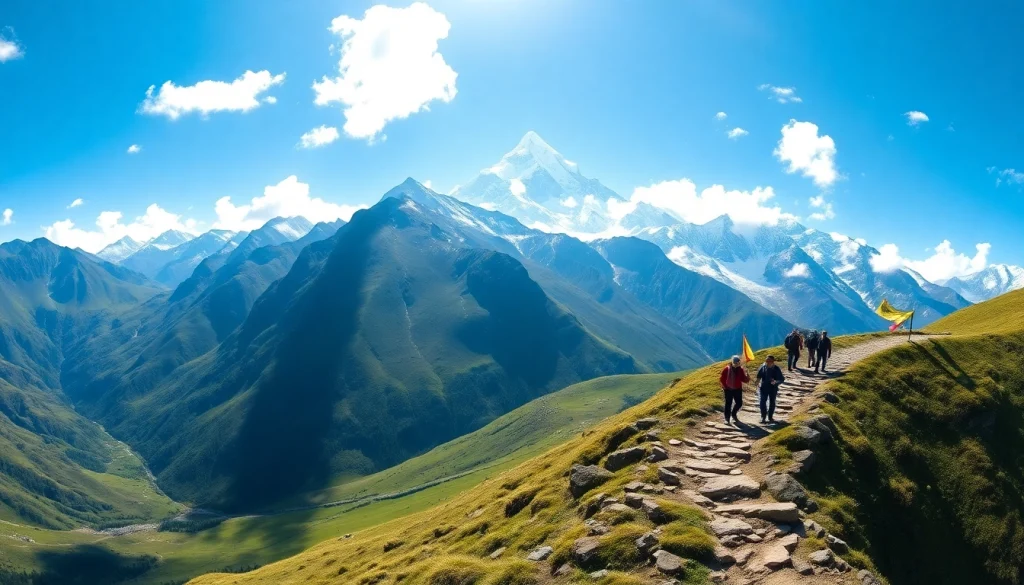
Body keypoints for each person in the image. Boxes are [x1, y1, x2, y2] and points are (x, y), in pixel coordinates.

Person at [719, 355, 750, 425]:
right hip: (728, 389)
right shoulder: (726, 369)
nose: (737, 364)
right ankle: (727, 419)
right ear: (732, 362)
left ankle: (733, 414)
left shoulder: (740, 369)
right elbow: (722, 379)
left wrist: (747, 377)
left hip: (737, 389)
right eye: (735, 363)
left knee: (739, 403)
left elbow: (743, 379)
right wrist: (725, 387)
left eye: (738, 363)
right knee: (728, 404)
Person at [756, 355, 785, 423]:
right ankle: (763, 417)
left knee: (772, 402)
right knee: (762, 402)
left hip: (773, 388)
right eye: (766, 360)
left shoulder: (776, 369)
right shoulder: (763, 367)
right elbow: (759, 376)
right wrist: (757, 382)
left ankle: (770, 417)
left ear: (773, 361)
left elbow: (781, 379)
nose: (767, 362)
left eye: (769, 361)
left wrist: (776, 382)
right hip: (764, 387)